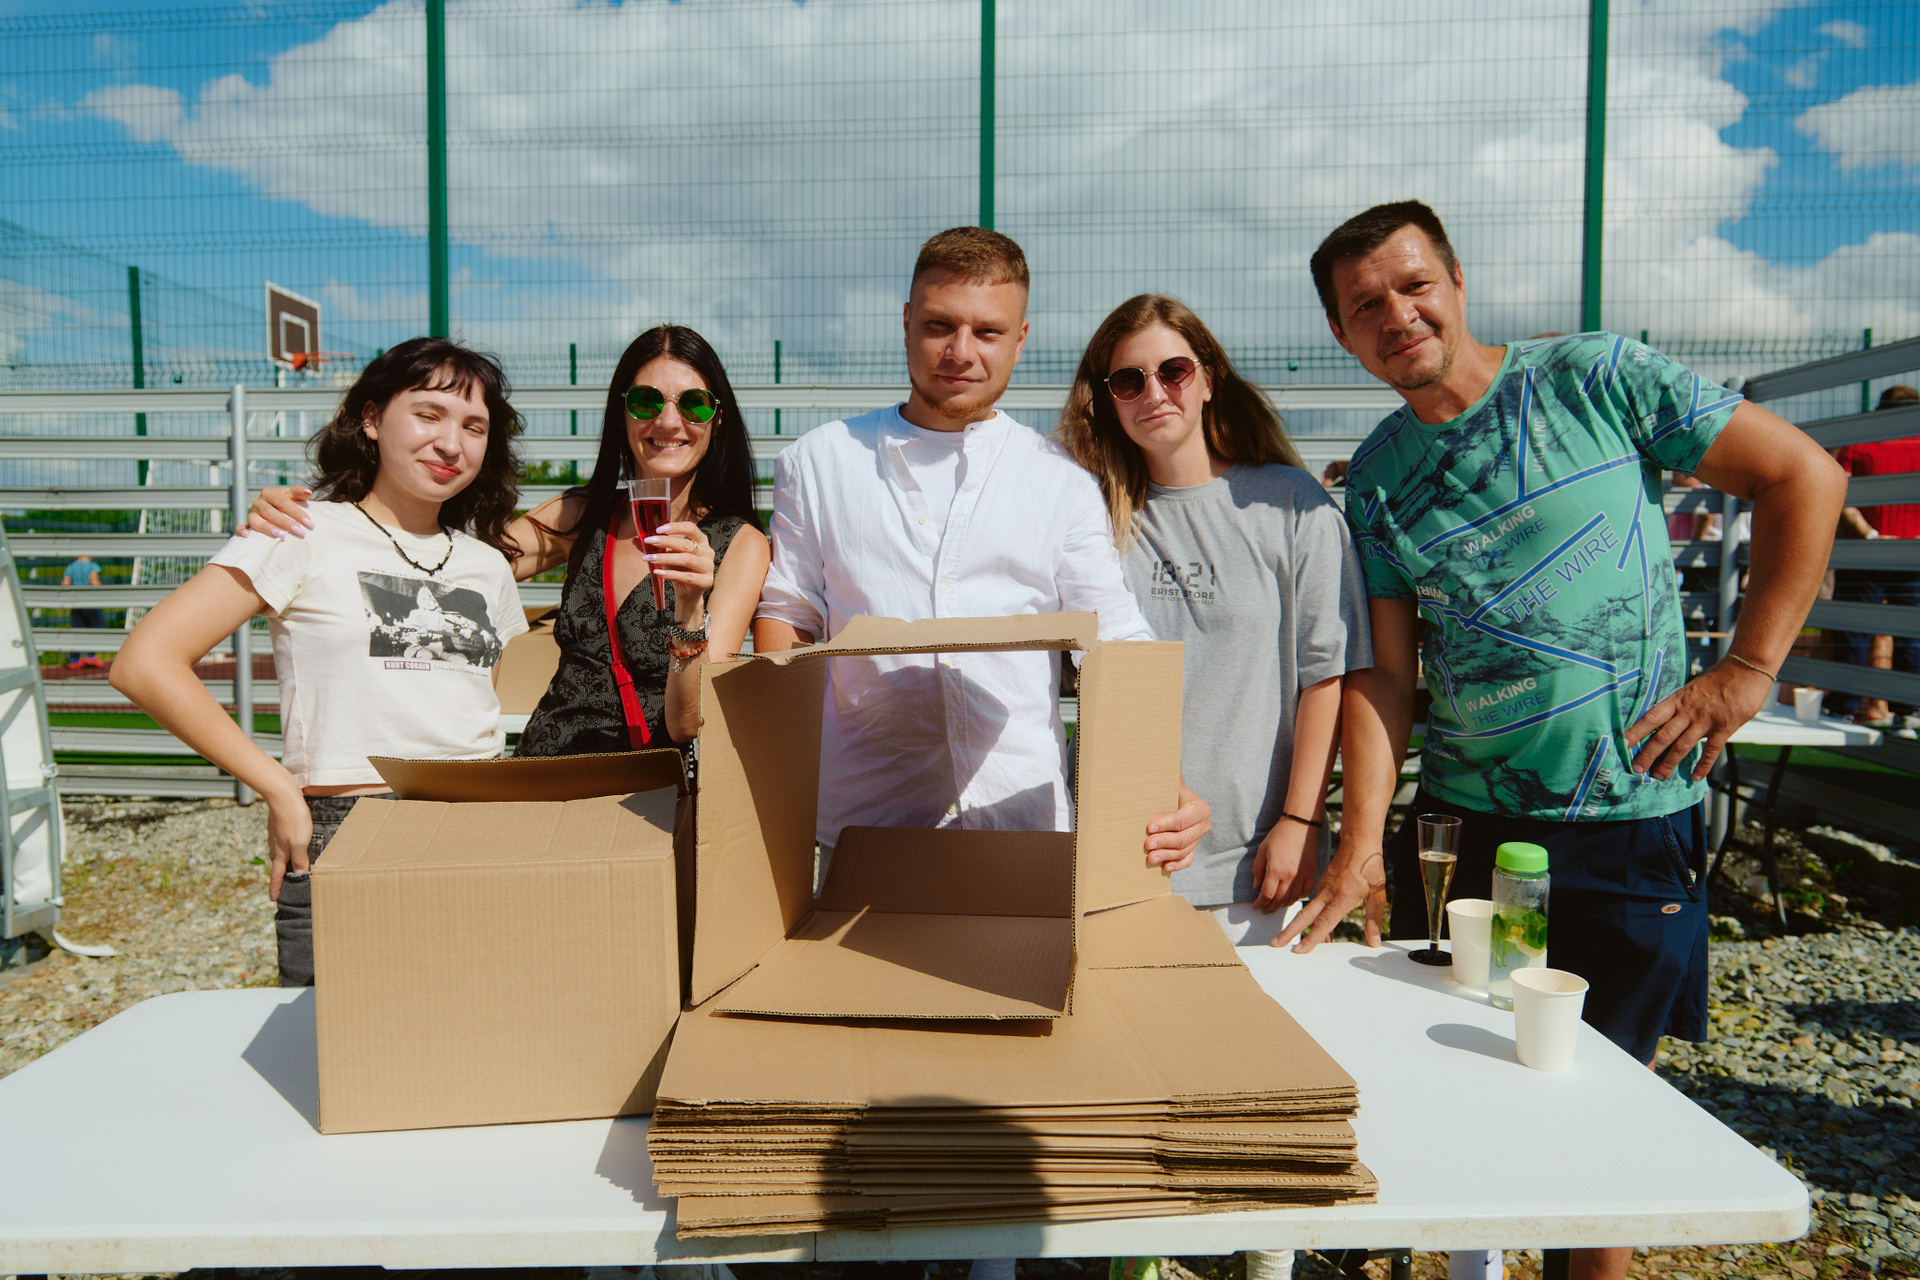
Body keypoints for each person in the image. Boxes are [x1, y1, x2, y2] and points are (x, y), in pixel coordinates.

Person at [1276, 202, 1844, 1280]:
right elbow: (1388, 678)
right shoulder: (1381, 480)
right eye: (1366, 305)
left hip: (1632, 816)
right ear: (1344, 336)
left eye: (1413, 285)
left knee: (1604, 1108)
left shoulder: (1596, 378)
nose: (1397, 314)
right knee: (1461, 1078)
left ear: (1456, 281)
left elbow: (1805, 475)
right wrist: (1359, 845)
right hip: (1471, 833)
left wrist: (1748, 669)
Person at [751, 229, 1210, 1280]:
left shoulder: (1058, 479)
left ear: (1022, 337)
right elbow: (790, 608)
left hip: (1015, 814)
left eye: (988, 332)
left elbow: (1113, 636)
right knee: (867, 1055)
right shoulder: (822, 459)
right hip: (866, 819)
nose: (962, 350)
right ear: (907, 323)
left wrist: (1161, 776)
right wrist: (770, 769)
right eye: (940, 326)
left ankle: (995, 1252)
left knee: (1010, 1053)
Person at [1057, 294, 1372, 1280]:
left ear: (1209, 377)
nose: (1153, 391)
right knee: (1136, 1081)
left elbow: (1327, 672)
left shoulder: (1290, 504)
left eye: (1173, 369)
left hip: (1253, 850)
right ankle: (1144, 1253)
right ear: (1105, 398)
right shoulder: (1092, 517)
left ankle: (1266, 1257)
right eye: (1127, 378)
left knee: (1259, 1079)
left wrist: (1299, 818)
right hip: (1125, 856)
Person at [110, 338, 530, 986]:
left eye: (474, 427)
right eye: (428, 414)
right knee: (337, 1044)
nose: (451, 443)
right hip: (350, 830)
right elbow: (145, 661)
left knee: (474, 1032)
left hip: (480, 833)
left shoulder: (489, 567)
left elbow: (474, 707)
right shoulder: (301, 531)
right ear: (372, 418)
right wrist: (277, 785)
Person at [245, 325, 770, 755]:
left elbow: (688, 723)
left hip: (646, 797)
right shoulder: (582, 514)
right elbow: (445, 564)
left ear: (717, 420)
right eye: (646, 400)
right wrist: (321, 521)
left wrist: (690, 609)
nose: (669, 420)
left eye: (694, 404)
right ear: (622, 412)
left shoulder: (739, 545)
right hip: (543, 776)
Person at [1829, 384, 1920, 736]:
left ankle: (1842, 709)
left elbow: (1839, 493)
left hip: (1864, 553)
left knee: (1853, 631)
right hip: (1912, 554)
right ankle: (1908, 712)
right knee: (1911, 633)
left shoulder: (1859, 444)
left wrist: (1869, 534)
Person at [60, 554, 106, 668]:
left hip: (76, 603)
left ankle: (74, 659)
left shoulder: (71, 567)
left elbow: (65, 584)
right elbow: (94, 582)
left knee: (77, 630)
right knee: (98, 627)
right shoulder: (92, 566)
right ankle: (90, 655)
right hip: (90, 603)